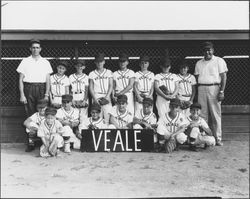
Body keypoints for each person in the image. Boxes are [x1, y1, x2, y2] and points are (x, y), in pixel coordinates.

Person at [194, 41, 228, 146]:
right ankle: (205, 138)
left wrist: (221, 91)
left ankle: (218, 138)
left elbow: (223, 77)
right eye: (205, 50)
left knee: (215, 114)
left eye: (209, 50)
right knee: (202, 114)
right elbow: (196, 78)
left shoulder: (219, 60)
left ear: (213, 50)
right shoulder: (199, 63)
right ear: (203, 52)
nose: (207, 52)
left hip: (214, 88)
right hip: (201, 88)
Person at [16, 39, 53, 117]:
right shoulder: (25, 61)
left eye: (37, 47)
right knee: (30, 112)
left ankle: (41, 129)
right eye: (33, 47)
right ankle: (31, 128)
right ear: (30, 49)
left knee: (42, 111)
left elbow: (48, 80)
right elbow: (20, 80)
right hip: (29, 88)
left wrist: (46, 94)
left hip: (41, 88)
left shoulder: (45, 62)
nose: (35, 49)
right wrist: (22, 95)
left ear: (40, 49)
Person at [89, 53, 113, 124]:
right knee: (98, 117)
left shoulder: (108, 72)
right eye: (97, 61)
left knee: (107, 116)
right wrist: (95, 99)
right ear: (95, 62)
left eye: (101, 61)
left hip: (106, 95)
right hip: (97, 95)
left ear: (104, 62)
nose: (99, 63)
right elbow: (91, 87)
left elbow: (111, 85)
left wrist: (107, 96)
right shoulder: (92, 73)